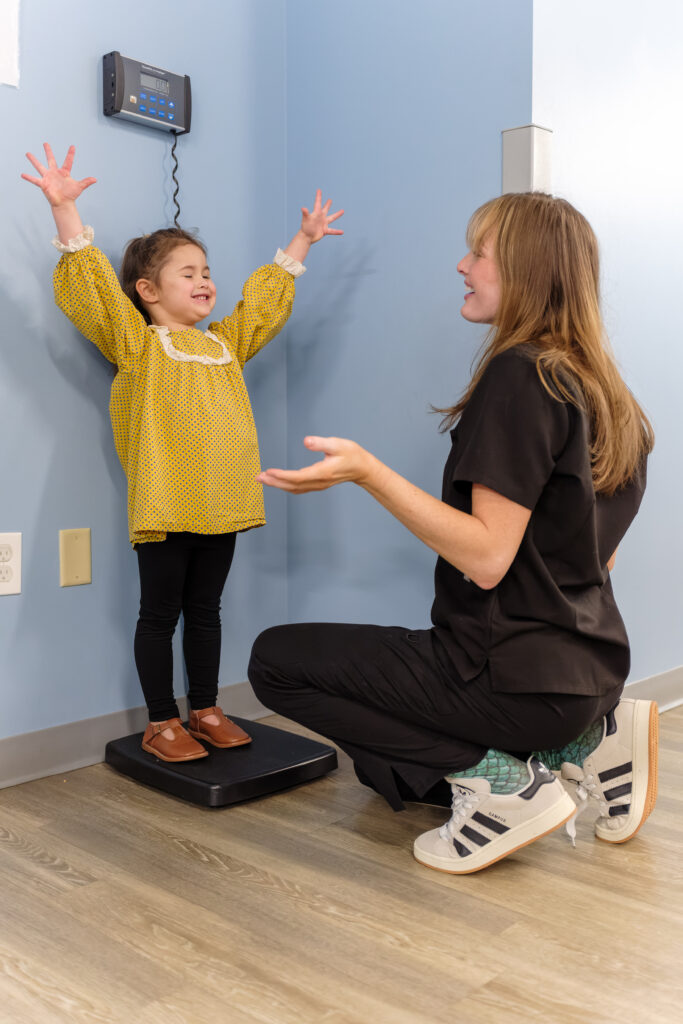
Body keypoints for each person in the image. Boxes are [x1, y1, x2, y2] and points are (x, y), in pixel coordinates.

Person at [247, 191, 658, 875]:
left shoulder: (522, 373)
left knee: (274, 661)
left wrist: (368, 472)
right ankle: (585, 742)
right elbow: (597, 560)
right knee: (387, 774)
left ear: (525, 269)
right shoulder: (609, 397)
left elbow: (489, 558)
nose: (462, 266)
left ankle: (506, 788)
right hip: (588, 675)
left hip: (510, 679)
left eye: (479, 253)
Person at [23, 143, 343, 764]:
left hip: (222, 504)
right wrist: (63, 209)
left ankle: (205, 707)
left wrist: (303, 241)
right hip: (166, 505)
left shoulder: (225, 344)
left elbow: (263, 307)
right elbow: (94, 293)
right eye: (187, 273)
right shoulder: (138, 344)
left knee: (206, 611)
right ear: (147, 290)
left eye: (206, 272)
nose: (204, 282)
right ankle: (160, 720)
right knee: (158, 614)